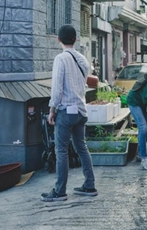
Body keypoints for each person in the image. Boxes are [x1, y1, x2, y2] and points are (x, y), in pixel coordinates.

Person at [41, 25, 97, 202]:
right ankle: (89, 185)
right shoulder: (83, 60)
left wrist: (52, 109)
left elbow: (57, 87)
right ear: (75, 40)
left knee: (61, 150)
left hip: (66, 111)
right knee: (82, 147)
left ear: (58, 40)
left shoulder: (61, 59)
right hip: (81, 110)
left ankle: (59, 191)